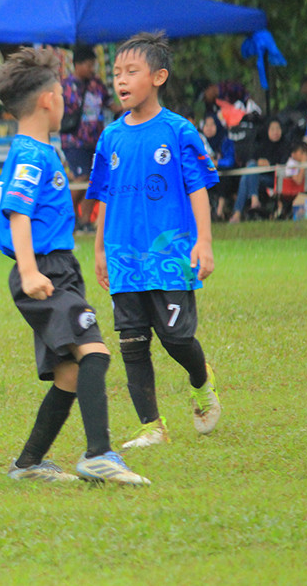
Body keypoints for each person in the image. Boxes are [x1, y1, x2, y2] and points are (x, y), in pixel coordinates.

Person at [0, 47, 149, 486]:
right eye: (61, 93)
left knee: (70, 373)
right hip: (44, 270)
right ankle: (98, 454)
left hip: (54, 268)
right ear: (47, 101)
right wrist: (29, 271)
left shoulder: (37, 149)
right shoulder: (31, 155)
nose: (65, 100)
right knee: (94, 352)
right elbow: (18, 214)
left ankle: (27, 465)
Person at [87, 31, 222, 451]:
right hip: (124, 257)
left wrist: (204, 242)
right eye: (116, 73)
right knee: (131, 343)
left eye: (132, 71)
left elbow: (198, 187)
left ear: (159, 77)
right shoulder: (110, 137)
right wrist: (98, 250)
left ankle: (202, 382)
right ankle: (152, 426)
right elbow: (103, 197)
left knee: (177, 337)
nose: (121, 80)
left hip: (170, 253)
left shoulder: (179, 131)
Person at [60, 44, 118, 233]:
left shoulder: (97, 84)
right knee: (81, 177)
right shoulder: (65, 86)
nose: (92, 69)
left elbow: (111, 104)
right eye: (89, 64)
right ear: (77, 64)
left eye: (94, 65)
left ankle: (84, 221)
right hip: (73, 140)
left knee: (95, 180)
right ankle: (64, 216)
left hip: (96, 141)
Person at [229, 117, 290, 223]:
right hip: (258, 178)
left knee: (247, 176)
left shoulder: (285, 145)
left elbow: (283, 164)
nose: (275, 132)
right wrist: (259, 163)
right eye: (272, 129)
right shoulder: (261, 145)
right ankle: (253, 200)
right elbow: (252, 159)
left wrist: (269, 164)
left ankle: (238, 212)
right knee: (249, 171)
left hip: (274, 179)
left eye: (277, 129)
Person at [276, 140, 307, 217]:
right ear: (294, 153)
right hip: (291, 194)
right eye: (302, 153)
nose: (304, 156)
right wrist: (303, 165)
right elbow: (298, 181)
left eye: (306, 153)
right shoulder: (291, 164)